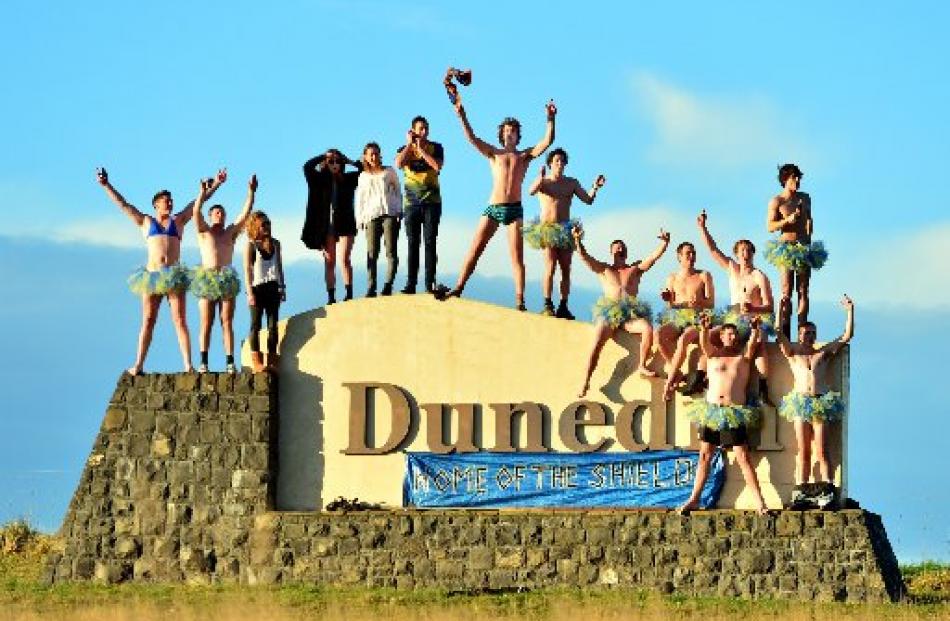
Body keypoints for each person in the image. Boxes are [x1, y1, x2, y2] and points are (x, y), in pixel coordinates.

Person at [434, 85, 557, 310]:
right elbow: (472, 138)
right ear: (501, 134)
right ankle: (458, 288)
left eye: (513, 130)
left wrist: (550, 119)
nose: (510, 133)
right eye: (507, 130)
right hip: (493, 207)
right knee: (475, 249)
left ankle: (520, 301)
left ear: (518, 135)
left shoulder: (524, 155)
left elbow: (547, 141)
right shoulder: (494, 153)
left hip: (514, 210)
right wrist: (461, 115)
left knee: (516, 258)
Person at [96, 166, 225, 375]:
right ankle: (138, 364)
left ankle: (188, 364)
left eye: (171, 200)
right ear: (156, 204)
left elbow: (196, 204)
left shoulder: (178, 220)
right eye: (166, 200)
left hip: (173, 275)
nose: (170, 203)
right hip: (152, 275)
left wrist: (217, 184)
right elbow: (123, 205)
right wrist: (106, 185)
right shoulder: (147, 221)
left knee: (180, 319)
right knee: (148, 320)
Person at [678, 313, 769, 515]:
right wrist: (704, 327)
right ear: (721, 337)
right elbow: (704, 343)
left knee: (743, 457)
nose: (732, 337)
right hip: (711, 411)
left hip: (733, 412)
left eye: (735, 334)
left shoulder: (743, 357)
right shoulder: (712, 355)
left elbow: (753, 343)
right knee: (704, 456)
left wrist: (754, 329)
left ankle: (759, 503)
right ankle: (694, 499)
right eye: (728, 334)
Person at [775, 295, 853, 507]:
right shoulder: (793, 353)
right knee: (804, 449)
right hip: (801, 401)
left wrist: (849, 311)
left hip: (820, 401)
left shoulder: (822, 353)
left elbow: (846, 336)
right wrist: (781, 311)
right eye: (805, 333)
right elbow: (779, 334)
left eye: (812, 333)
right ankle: (802, 487)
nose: (809, 336)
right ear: (799, 335)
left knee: (822, 448)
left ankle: (827, 487)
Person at [573, 226, 670, 398]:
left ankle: (642, 365)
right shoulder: (604, 269)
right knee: (596, 344)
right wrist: (577, 241)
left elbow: (653, 258)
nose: (620, 249)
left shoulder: (634, 269)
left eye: (623, 247)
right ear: (611, 252)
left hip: (629, 316)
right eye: (617, 247)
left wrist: (664, 244)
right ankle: (585, 382)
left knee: (647, 328)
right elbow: (585, 258)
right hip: (610, 314)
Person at [696, 209, 775, 405]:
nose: (745, 254)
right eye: (742, 251)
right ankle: (700, 378)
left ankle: (764, 387)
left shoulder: (759, 276)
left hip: (752, 320)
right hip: (732, 318)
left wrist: (754, 310)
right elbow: (713, 250)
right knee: (709, 338)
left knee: (760, 345)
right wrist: (703, 228)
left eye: (748, 251)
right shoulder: (732, 268)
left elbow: (769, 306)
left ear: (753, 253)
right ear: (737, 254)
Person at [525, 148, 606, 319]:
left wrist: (595, 187)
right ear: (550, 163)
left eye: (562, 161)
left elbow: (588, 200)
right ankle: (547, 303)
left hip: (566, 229)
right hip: (548, 229)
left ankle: (563, 305)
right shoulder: (544, 182)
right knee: (550, 267)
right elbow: (530, 191)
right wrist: (539, 178)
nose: (560, 164)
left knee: (566, 270)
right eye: (556, 161)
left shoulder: (572, 183)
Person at [192, 173, 256, 373]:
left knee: (227, 321)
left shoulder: (230, 232)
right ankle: (203, 361)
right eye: (216, 212)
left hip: (226, 279)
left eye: (222, 212)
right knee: (206, 322)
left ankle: (230, 361)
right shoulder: (204, 231)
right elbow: (195, 213)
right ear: (211, 215)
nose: (220, 215)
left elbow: (244, 216)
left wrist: (251, 193)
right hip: (207, 278)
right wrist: (202, 195)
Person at [765, 163, 828, 338]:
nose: (798, 181)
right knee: (786, 290)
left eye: (799, 177)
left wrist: (808, 232)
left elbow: (809, 219)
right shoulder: (777, 201)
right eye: (794, 178)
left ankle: (802, 328)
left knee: (803, 289)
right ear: (785, 179)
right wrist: (788, 220)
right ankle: (784, 332)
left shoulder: (805, 198)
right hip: (786, 247)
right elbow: (770, 226)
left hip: (804, 247)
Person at [302, 149, 362, 304]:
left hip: (345, 223)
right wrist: (323, 156)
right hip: (325, 225)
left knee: (345, 259)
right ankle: (331, 297)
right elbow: (307, 167)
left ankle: (349, 293)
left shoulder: (349, 179)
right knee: (329, 261)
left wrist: (347, 160)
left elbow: (363, 169)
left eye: (337, 161)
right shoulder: (317, 179)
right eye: (331, 161)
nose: (334, 164)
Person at [657, 242, 715, 400]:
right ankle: (676, 370)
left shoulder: (704, 275)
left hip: (697, 319)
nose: (692, 256)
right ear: (679, 257)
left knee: (683, 340)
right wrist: (667, 299)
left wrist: (700, 302)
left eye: (693, 253)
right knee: (659, 335)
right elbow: (671, 305)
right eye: (688, 253)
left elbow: (711, 303)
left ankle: (668, 384)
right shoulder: (672, 278)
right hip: (678, 318)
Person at [394, 116, 444, 294]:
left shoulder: (436, 147)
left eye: (426, 128)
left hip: (432, 202)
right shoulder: (403, 150)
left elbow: (437, 166)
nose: (423, 132)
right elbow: (399, 163)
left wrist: (422, 150)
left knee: (430, 242)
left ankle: (429, 283)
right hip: (411, 204)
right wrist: (410, 145)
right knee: (412, 243)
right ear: (413, 130)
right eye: (420, 129)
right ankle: (411, 284)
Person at [355, 142, 403, 297]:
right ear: (366, 157)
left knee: (391, 251)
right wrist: (360, 219)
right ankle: (371, 287)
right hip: (371, 216)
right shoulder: (363, 176)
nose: (374, 156)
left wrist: (399, 210)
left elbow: (397, 191)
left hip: (389, 213)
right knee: (372, 252)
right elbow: (360, 199)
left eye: (376, 153)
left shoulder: (389, 171)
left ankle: (388, 285)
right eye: (371, 154)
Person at [244, 211, 286, 373]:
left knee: (272, 324)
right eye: (263, 224)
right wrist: (250, 292)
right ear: (255, 226)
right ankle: (257, 361)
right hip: (257, 288)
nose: (267, 227)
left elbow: (279, 266)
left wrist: (282, 287)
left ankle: (272, 360)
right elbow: (247, 269)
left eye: (268, 223)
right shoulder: (251, 245)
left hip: (273, 287)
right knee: (256, 324)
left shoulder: (276, 244)